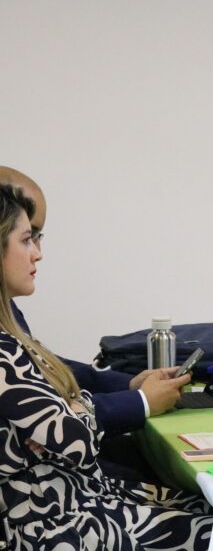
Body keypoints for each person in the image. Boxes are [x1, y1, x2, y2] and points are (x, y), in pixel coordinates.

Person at [0, 183, 213, 548]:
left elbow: (56, 401)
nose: (38, 254)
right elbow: (72, 438)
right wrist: (76, 410)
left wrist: (74, 406)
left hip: (73, 500)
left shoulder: (8, 326)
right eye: (26, 240)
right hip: (53, 525)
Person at [0, 166, 187, 478]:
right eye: (27, 238)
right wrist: (140, 401)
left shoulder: (7, 312)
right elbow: (64, 430)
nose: (38, 253)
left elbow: (47, 372)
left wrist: (129, 387)